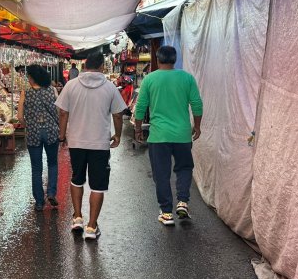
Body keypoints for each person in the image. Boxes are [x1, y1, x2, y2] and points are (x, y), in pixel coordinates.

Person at [56, 52, 127, 240]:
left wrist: (62, 137)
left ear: (85, 66)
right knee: (98, 185)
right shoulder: (110, 88)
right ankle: (91, 227)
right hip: (100, 143)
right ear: (102, 66)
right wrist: (118, 135)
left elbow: (63, 112)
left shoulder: (71, 86)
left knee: (76, 178)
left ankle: (77, 217)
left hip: (76, 142)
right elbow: (118, 114)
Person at [134, 45, 203, 226]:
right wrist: (197, 126)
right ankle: (182, 202)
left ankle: (166, 212)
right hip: (182, 134)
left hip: (158, 136)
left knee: (161, 174)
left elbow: (140, 107)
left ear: (157, 59)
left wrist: (138, 129)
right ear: (175, 59)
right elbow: (197, 104)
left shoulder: (150, 79)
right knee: (184, 168)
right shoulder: (187, 78)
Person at [18, 65, 59, 211]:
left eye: (28, 77)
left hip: (34, 132)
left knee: (36, 168)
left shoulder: (26, 93)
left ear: (32, 77)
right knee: (52, 163)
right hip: (51, 131)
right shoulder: (52, 90)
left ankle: (39, 202)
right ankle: (52, 193)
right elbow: (59, 111)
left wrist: (27, 125)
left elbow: (19, 117)